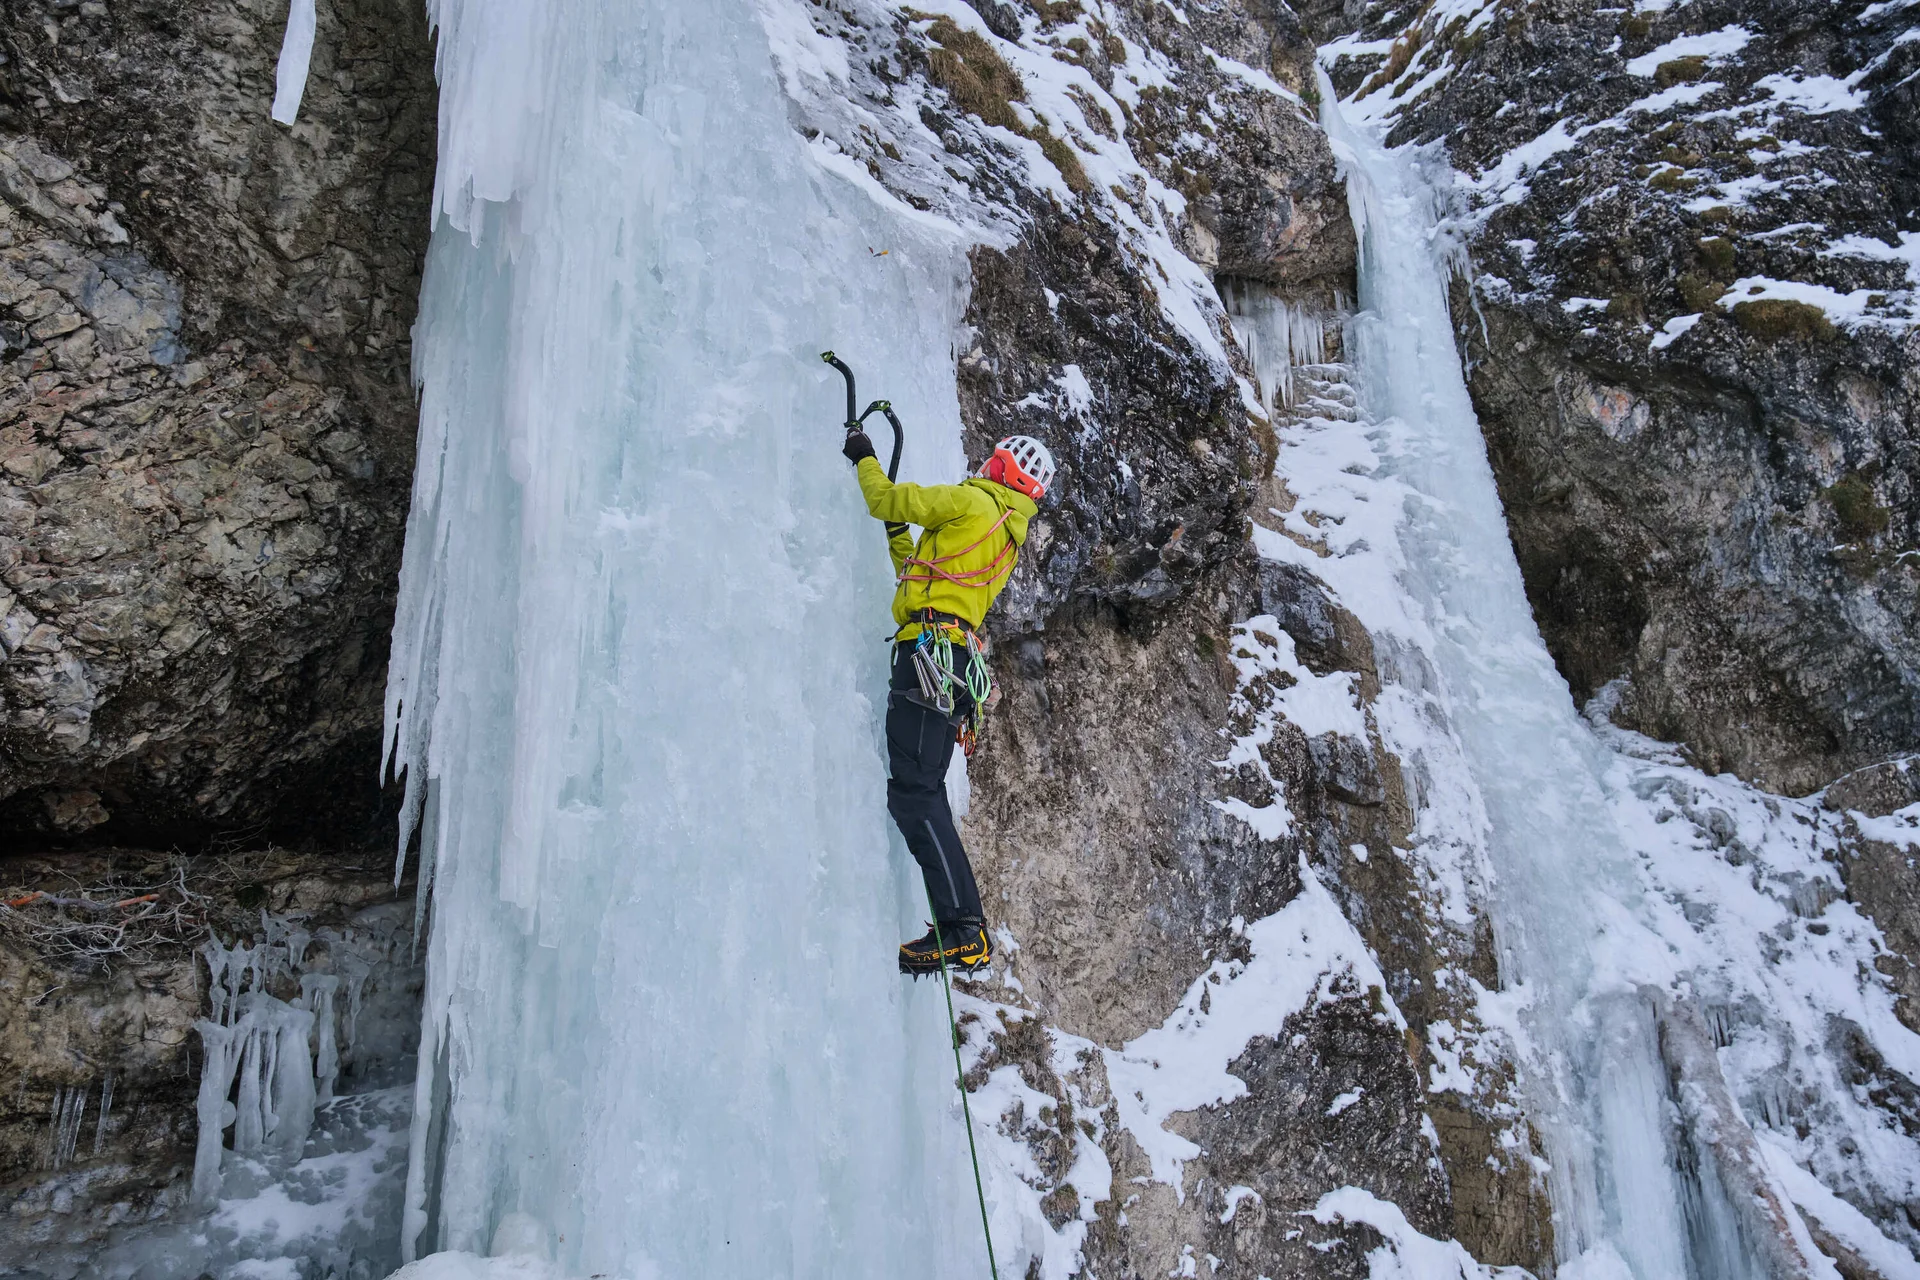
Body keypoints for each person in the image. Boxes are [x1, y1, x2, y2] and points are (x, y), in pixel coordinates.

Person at [842, 426, 1058, 975]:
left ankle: (963, 928)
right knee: (923, 792)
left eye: (994, 461)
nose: (985, 465)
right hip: (952, 663)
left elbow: (884, 498)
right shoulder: (1005, 532)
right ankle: (961, 926)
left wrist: (865, 457)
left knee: (916, 795)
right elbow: (920, 577)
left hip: (928, 657)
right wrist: (899, 531)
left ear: (1005, 471)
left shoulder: (970, 500)